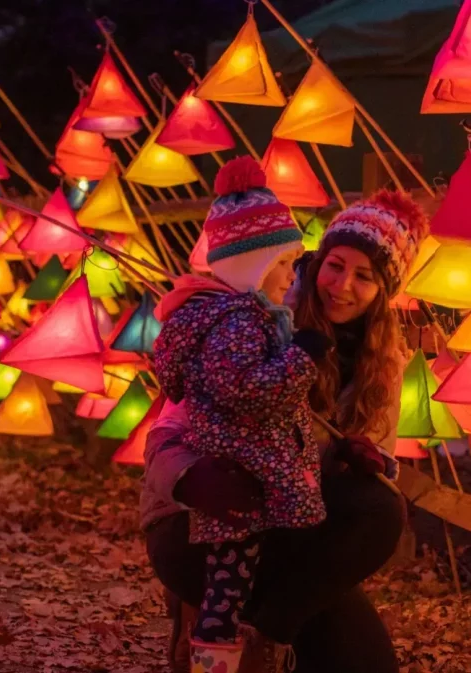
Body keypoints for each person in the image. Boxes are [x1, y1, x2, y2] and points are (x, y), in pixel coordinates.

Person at [142, 188, 430, 673]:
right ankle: (212, 617)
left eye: (364, 277)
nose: (341, 286)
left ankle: (266, 641)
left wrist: (365, 460)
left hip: (290, 530)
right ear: (316, 261)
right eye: (335, 265)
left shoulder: (382, 366)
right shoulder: (260, 317)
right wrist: (193, 478)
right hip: (205, 522)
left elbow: (375, 472)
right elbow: (164, 433)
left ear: (384, 290)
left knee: (381, 513)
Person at [150, 156, 336, 673]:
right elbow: (247, 392)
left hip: (252, 472)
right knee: (226, 594)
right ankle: (216, 661)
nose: (291, 277)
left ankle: (222, 653)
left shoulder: (236, 318)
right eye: (284, 265)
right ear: (256, 266)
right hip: (245, 476)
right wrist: (302, 355)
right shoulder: (237, 323)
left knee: (231, 589)